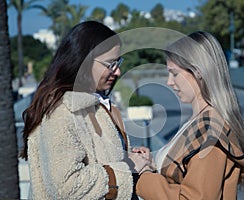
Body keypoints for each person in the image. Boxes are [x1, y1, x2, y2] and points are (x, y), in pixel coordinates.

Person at [20, 21, 150, 200]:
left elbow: (95, 159)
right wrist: (128, 167)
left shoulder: (93, 105)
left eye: (118, 62)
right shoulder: (61, 111)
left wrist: (132, 158)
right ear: (83, 61)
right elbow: (66, 187)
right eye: (110, 64)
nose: (118, 72)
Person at [135, 31, 244, 199]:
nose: (169, 82)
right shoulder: (200, 120)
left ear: (198, 72)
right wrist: (152, 164)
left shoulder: (211, 131)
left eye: (174, 73)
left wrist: (142, 177)